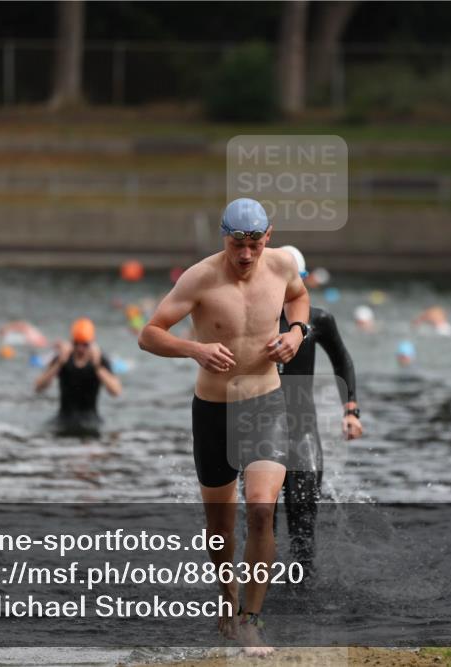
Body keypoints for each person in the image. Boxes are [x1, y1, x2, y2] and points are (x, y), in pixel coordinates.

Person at [138, 197, 309, 656]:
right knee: (220, 526)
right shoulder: (200, 278)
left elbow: (299, 296)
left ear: (268, 237)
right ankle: (228, 599)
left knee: (260, 510)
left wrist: (296, 333)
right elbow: (149, 333)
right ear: (224, 238)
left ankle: (252, 620)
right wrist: (195, 349)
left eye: (254, 244)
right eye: (237, 244)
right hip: (213, 411)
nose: (246, 254)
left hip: (267, 403)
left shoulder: (283, 266)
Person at [275, 245, 363, 578]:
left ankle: (303, 596)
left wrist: (351, 409)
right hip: (257, 435)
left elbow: (343, 361)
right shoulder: (254, 319)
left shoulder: (318, 319)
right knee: (259, 526)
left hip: (302, 434)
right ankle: (255, 602)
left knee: (303, 536)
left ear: (301, 280)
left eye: (291, 280)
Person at [35, 318, 122, 436]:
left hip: (90, 419)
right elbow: (39, 387)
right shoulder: (62, 359)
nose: (80, 348)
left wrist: (97, 367)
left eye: (85, 344)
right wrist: (59, 363)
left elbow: (116, 391)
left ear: (92, 342)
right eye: (76, 344)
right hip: (64, 418)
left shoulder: (100, 360)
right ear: (71, 342)